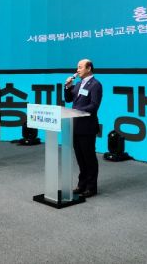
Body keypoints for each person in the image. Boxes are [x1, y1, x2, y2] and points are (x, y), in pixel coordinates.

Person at [64, 59, 103, 198]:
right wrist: (68, 87)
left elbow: (94, 105)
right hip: (76, 126)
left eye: (80, 67)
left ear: (89, 68)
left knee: (89, 157)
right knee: (80, 157)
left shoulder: (96, 85)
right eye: (77, 67)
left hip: (87, 127)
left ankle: (91, 187)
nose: (77, 70)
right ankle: (82, 185)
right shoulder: (78, 84)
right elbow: (69, 100)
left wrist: (77, 111)